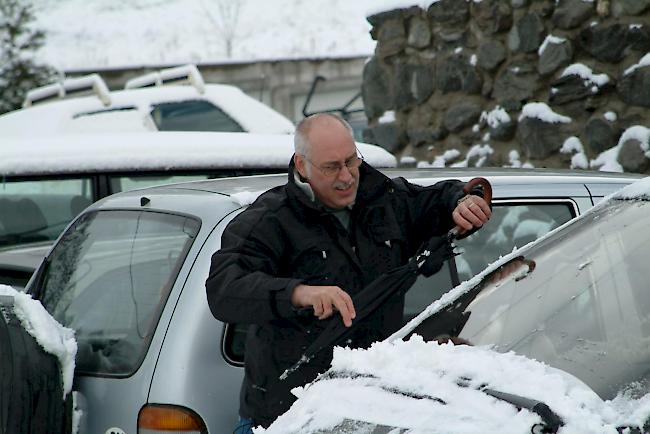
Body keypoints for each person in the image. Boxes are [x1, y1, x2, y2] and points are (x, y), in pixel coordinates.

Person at [205, 113, 491, 432]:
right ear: (301, 165)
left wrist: (462, 200)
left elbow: (435, 199)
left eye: (351, 161)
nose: (346, 177)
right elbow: (224, 288)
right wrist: (298, 293)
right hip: (290, 416)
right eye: (331, 167)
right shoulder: (270, 221)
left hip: (375, 410)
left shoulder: (384, 199)